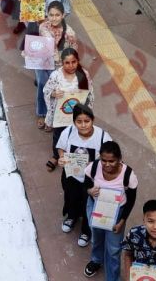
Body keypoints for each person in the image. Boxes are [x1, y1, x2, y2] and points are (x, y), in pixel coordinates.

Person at [57, 104, 112, 248]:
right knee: (71, 197)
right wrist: (61, 158)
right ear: (74, 122)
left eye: (86, 121)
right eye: (79, 121)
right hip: (71, 175)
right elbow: (61, 148)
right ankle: (71, 217)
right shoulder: (68, 132)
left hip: (92, 179)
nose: (83, 125)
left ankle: (86, 231)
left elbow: (111, 159)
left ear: (92, 120)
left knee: (89, 204)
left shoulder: (103, 137)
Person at [83, 141, 138, 280]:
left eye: (112, 161)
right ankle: (96, 260)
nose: (107, 165)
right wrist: (89, 191)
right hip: (96, 207)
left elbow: (131, 200)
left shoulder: (129, 176)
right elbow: (86, 183)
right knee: (96, 238)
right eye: (104, 160)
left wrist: (122, 221)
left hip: (117, 212)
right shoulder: (93, 167)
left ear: (119, 159)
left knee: (114, 249)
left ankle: (112, 278)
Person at [44, 48, 93, 170]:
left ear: (78, 61)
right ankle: (56, 156)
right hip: (60, 114)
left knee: (76, 134)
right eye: (67, 63)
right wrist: (54, 94)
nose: (71, 66)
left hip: (77, 114)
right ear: (62, 63)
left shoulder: (84, 74)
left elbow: (90, 94)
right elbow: (46, 90)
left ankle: (74, 157)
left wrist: (87, 112)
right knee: (58, 135)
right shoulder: (56, 75)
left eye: (74, 62)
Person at [33, 0, 78, 128]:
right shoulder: (42, 27)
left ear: (63, 15)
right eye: (51, 15)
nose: (54, 18)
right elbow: (39, 44)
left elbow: (74, 53)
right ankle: (41, 113)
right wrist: (29, 52)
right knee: (42, 85)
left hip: (58, 67)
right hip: (42, 62)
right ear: (47, 15)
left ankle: (51, 116)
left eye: (57, 15)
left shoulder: (70, 33)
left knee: (54, 91)